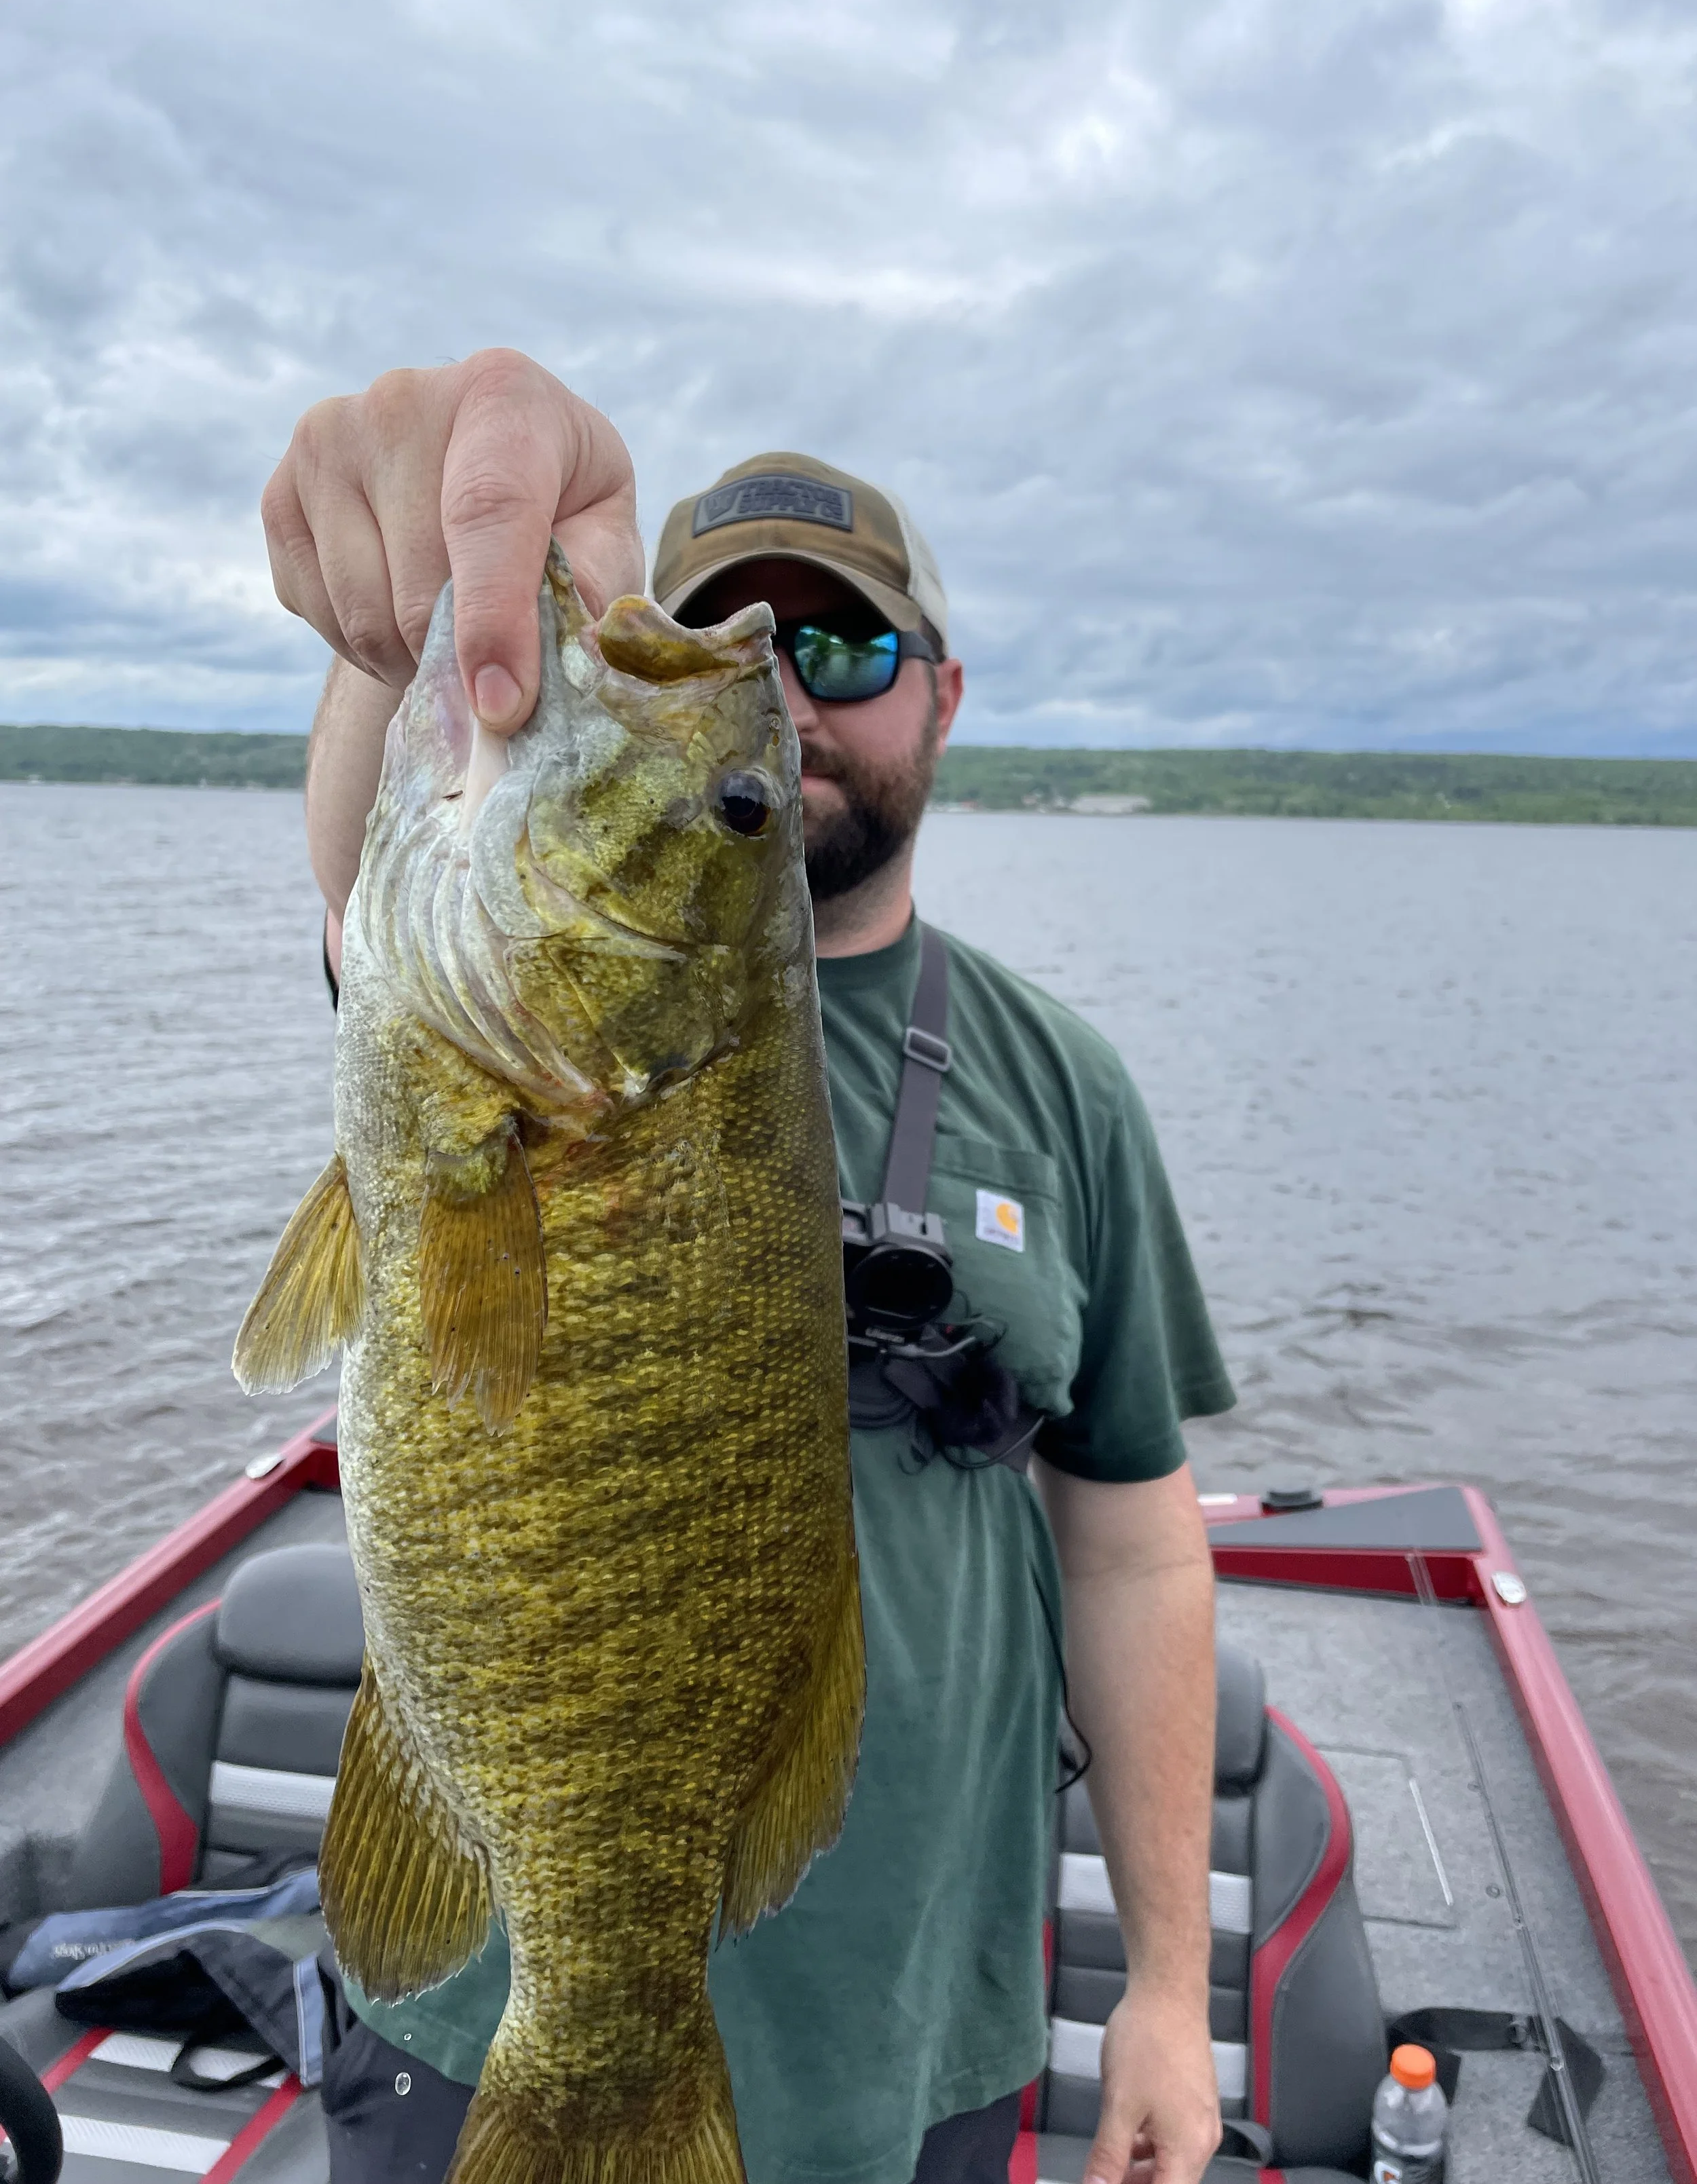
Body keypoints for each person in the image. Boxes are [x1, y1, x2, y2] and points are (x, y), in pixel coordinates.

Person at [272, 351, 1235, 2184]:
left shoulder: (1065, 1088)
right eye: (723, 642)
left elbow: (1132, 1537)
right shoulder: (472, 1010)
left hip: (917, 2027)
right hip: (489, 2006)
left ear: (942, 696)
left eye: (846, 652)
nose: (782, 698)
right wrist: (403, 627)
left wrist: (1169, 1988)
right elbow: (368, 854)